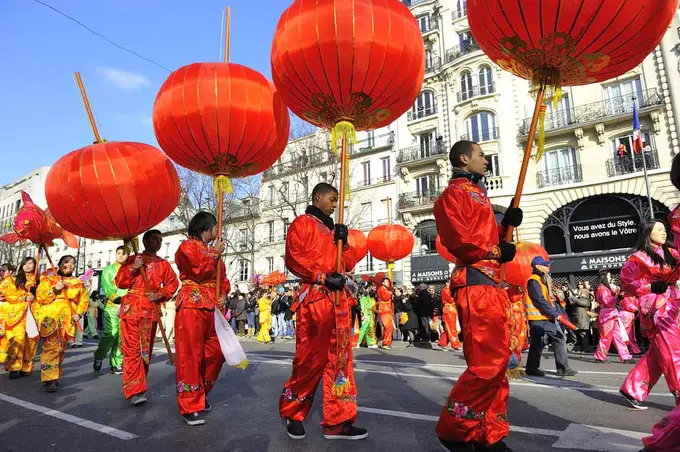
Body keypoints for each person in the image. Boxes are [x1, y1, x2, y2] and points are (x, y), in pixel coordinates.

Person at [433, 140, 523, 451]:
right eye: (481, 155)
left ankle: (491, 434)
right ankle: (454, 428)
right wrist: (498, 249)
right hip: (476, 283)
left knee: (498, 366)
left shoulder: (480, 194)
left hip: (492, 284)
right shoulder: (453, 194)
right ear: (463, 158)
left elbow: (483, 238)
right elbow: (460, 240)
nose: (486, 161)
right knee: (489, 364)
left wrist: (505, 226)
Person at [279, 182, 367, 441]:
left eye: (337, 198)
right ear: (318, 197)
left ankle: (338, 420)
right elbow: (294, 258)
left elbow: (346, 263)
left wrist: (344, 242)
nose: (335, 203)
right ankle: (293, 412)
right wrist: (322, 277)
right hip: (316, 299)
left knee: (340, 361)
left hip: (339, 300)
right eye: (332, 197)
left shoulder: (333, 229)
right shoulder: (302, 224)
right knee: (310, 360)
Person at [174, 211, 230, 426]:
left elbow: (222, 279)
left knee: (216, 352)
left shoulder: (214, 252)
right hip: (192, 304)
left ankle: (200, 393)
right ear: (206, 227)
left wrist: (223, 294)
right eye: (216, 227)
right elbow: (197, 270)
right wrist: (214, 253)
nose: (218, 231)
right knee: (190, 355)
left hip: (212, 307)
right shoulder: (187, 247)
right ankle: (189, 403)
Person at [619, 220, 680, 410]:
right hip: (654, 307)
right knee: (672, 351)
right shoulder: (638, 258)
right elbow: (627, 282)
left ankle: (632, 389)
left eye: (665, 229)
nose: (664, 232)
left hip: (674, 302)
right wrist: (650, 286)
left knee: (659, 352)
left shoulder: (672, 252)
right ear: (648, 233)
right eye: (659, 229)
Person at [116, 230, 179, 406]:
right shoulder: (132, 260)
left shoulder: (163, 264)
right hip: (132, 311)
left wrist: (158, 294)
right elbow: (120, 282)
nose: (158, 242)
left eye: (161, 240)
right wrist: (133, 268)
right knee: (132, 351)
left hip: (151, 312)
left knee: (145, 352)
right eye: (155, 239)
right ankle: (134, 390)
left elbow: (173, 284)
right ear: (145, 241)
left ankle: (140, 386)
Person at [36, 255, 89, 392]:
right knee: (50, 347)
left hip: (68, 319)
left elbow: (84, 300)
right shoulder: (48, 279)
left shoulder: (78, 282)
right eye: (66, 262)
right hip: (50, 318)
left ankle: (55, 375)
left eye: (72, 263)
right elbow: (40, 297)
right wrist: (55, 289)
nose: (69, 265)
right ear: (59, 264)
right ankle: (49, 378)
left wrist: (79, 313)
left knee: (61, 348)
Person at [525, 256, 578, 378]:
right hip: (537, 318)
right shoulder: (533, 281)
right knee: (538, 342)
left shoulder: (543, 280)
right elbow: (539, 300)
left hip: (546, 316)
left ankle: (563, 368)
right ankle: (532, 368)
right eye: (545, 265)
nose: (547, 266)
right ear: (538, 267)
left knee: (559, 338)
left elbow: (547, 300)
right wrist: (555, 314)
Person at [0, 257, 39, 378]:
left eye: (30, 263)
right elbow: (9, 295)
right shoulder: (14, 280)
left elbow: (46, 294)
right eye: (25, 263)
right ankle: (13, 367)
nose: (27, 265)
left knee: (31, 341)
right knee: (18, 339)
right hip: (18, 314)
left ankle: (26, 366)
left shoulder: (41, 279)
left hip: (35, 312)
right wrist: (24, 297)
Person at [94, 245, 128, 375]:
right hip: (113, 306)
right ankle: (99, 355)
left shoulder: (131, 270)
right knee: (111, 333)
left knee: (121, 336)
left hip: (127, 306)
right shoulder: (108, 270)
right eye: (118, 253)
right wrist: (115, 297)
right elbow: (107, 286)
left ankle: (116, 363)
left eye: (124, 253)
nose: (121, 255)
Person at [593, 269, 632, 363]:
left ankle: (625, 356)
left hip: (610, 314)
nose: (610, 278)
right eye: (609, 276)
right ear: (604, 277)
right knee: (606, 337)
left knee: (618, 336)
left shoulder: (601, 288)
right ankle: (600, 356)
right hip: (608, 314)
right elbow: (608, 302)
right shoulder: (602, 288)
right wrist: (617, 297)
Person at [438, 284, 461, 351]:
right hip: (449, 310)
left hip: (451, 310)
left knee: (450, 328)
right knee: (452, 328)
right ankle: (456, 345)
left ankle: (442, 343)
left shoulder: (449, 290)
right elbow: (451, 299)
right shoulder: (446, 290)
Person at [377, 277, 393, 350]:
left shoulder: (385, 289)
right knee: (387, 327)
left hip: (387, 309)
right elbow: (384, 297)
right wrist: (390, 293)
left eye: (388, 282)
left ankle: (387, 343)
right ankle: (386, 343)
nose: (388, 283)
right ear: (383, 282)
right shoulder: (382, 289)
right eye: (386, 282)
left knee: (389, 327)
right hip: (384, 309)